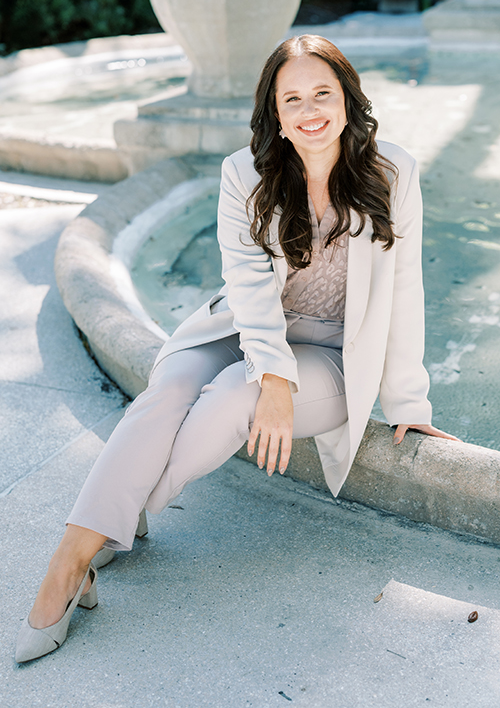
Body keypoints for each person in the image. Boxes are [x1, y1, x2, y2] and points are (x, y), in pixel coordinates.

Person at [15, 35, 459, 663]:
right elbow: (249, 289)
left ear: (349, 98)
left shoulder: (395, 172)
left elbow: (406, 288)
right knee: (166, 390)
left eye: (323, 93)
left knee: (231, 395)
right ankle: (74, 557)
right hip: (245, 328)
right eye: (293, 98)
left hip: (332, 354)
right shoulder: (243, 175)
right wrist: (274, 376)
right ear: (275, 115)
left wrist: (411, 402)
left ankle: (99, 535)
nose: (310, 110)